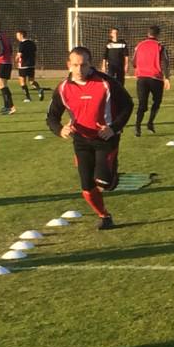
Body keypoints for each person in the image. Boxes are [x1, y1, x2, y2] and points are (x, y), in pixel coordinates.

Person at [46, 46, 133, 230]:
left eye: (83, 65)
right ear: (69, 65)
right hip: (81, 140)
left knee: (104, 183)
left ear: (90, 64)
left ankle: (111, 176)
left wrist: (113, 128)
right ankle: (104, 216)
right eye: (75, 65)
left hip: (105, 138)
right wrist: (60, 129)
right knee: (87, 187)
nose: (79, 69)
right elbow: (51, 117)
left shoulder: (106, 82)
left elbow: (128, 105)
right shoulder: (62, 89)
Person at [131, 25, 171, 136]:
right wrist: (167, 78)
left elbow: (133, 62)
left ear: (148, 33)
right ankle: (150, 123)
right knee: (157, 102)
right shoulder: (160, 46)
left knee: (142, 104)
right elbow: (165, 63)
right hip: (155, 79)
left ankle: (137, 127)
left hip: (142, 78)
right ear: (158, 34)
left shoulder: (139, 45)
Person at [14, 29, 47, 102]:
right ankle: (39, 89)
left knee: (22, 82)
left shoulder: (22, 44)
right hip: (31, 65)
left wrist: (16, 59)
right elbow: (34, 52)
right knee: (31, 81)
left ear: (22, 35)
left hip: (23, 65)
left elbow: (20, 54)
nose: (17, 37)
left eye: (18, 35)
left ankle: (27, 97)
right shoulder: (32, 43)